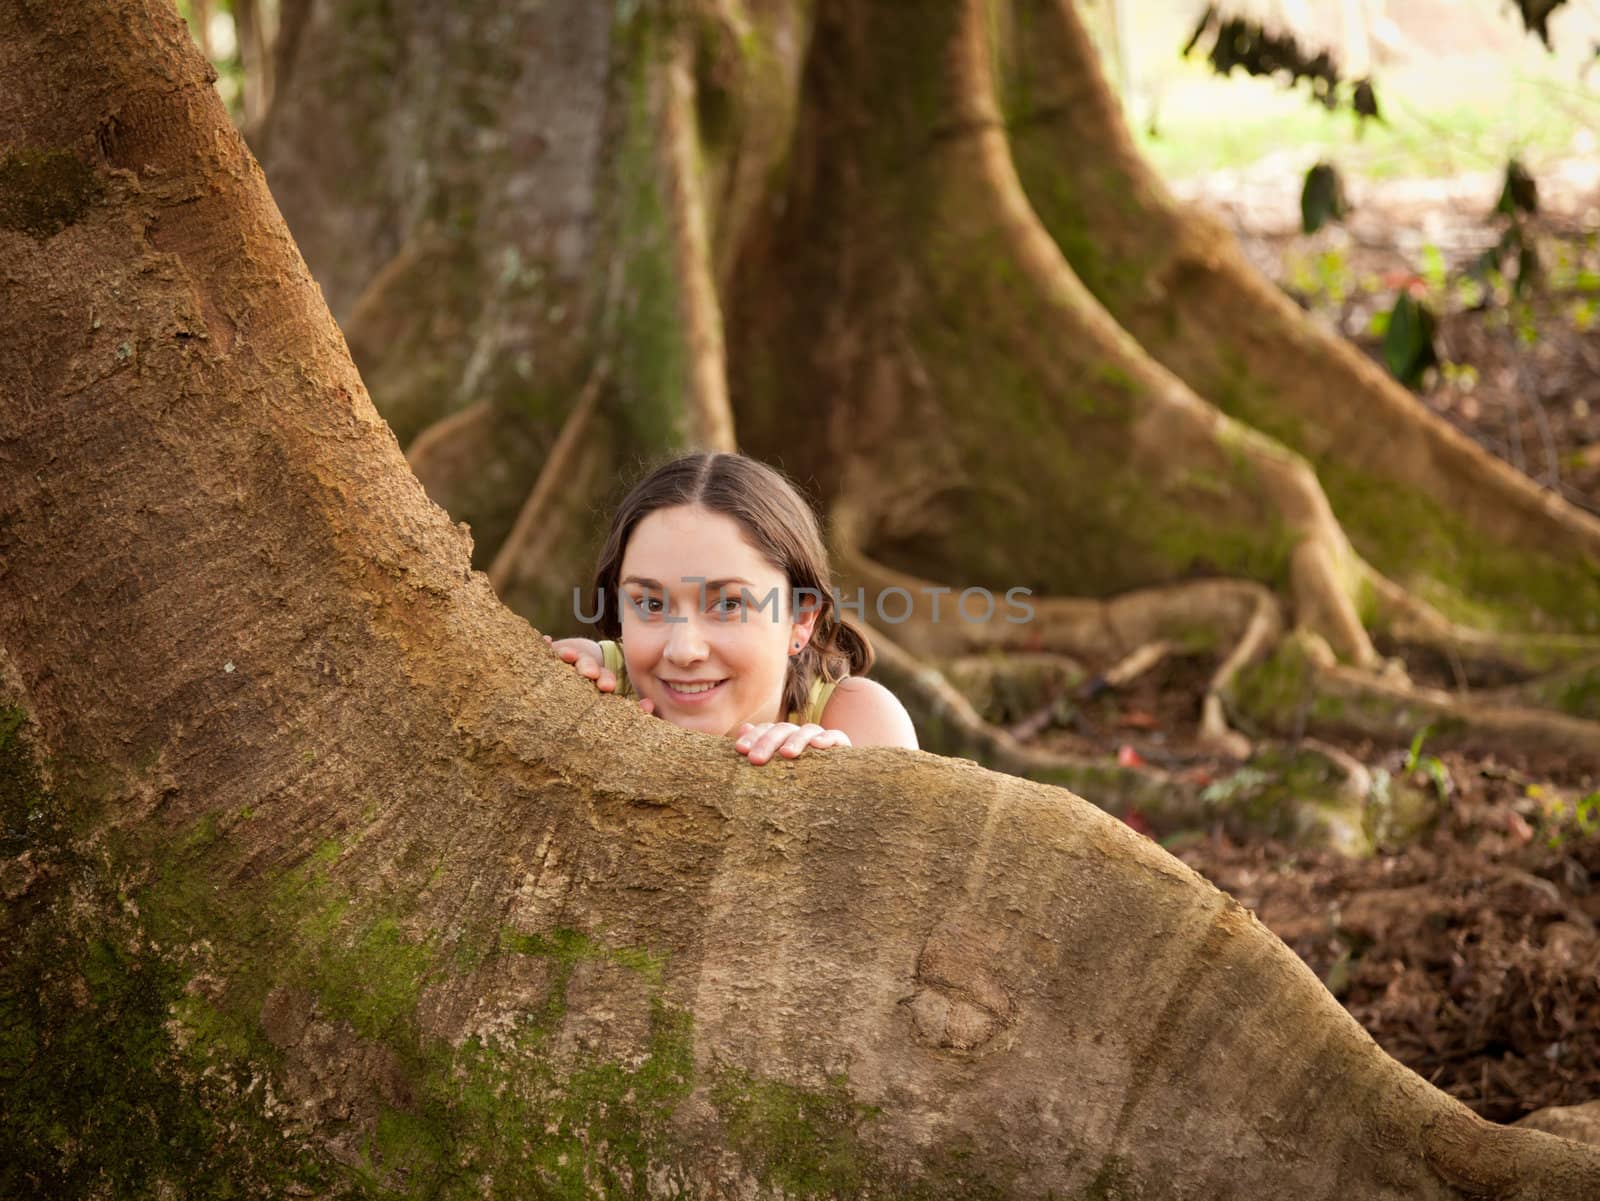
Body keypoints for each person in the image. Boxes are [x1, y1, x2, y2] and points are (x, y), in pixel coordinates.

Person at [544, 452, 918, 765]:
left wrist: (837, 788)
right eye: (651, 603)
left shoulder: (860, 721)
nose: (684, 650)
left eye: (728, 605)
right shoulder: (596, 685)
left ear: (801, 619)